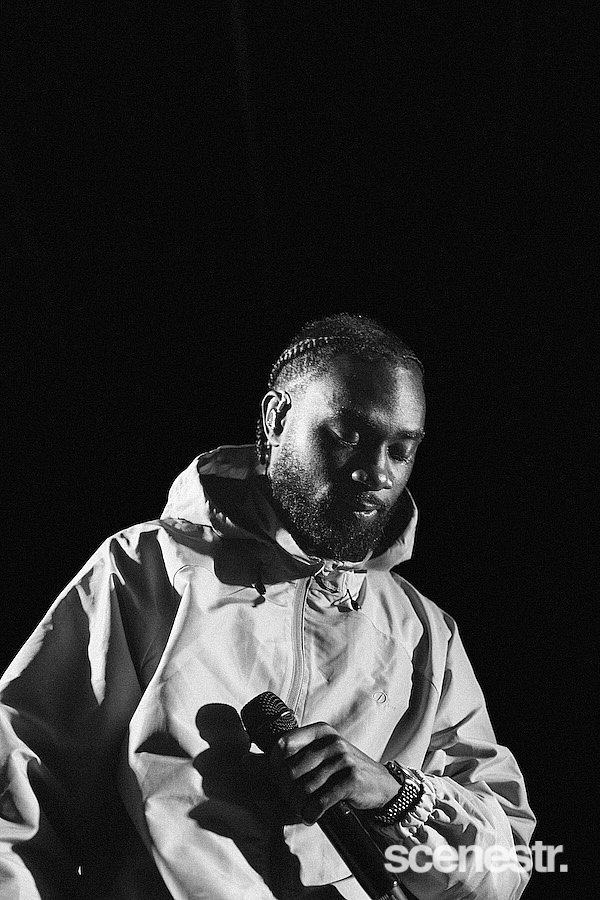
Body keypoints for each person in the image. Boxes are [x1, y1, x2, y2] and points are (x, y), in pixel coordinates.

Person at [0, 314, 535, 899]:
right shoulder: (146, 572)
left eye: (401, 449)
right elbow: (20, 802)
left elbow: (506, 867)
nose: (377, 472)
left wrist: (394, 796)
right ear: (276, 418)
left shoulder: (424, 633)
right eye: (348, 436)